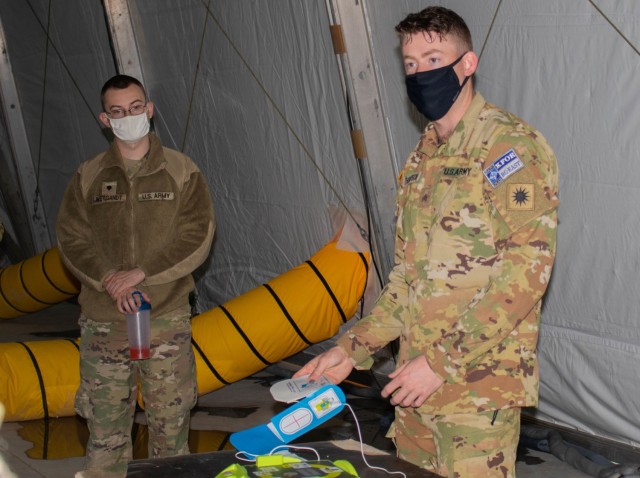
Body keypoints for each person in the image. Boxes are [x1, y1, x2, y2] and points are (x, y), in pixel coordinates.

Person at [294, 6, 559, 478]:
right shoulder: (423, 158)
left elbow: (525, 277)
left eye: (434, 58)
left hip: (475, 393)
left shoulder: (508, 148)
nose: (420, 73)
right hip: (413, 387)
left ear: (468, 64)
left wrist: (439, 363)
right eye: (411, 64)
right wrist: (350, 349)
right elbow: (406, 281)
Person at [56, 74, 215, 478]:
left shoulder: (181, 171)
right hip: (104, 319)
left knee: (171, 424)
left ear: (149, 109)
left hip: (164, 318)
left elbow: (196, 236)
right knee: (105, 432)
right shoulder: (88, 175)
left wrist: (141, 274)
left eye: (134, 108)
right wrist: (109, 278)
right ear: (104, 120)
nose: (128, 117)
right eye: (117, 112)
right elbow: (72, 239)